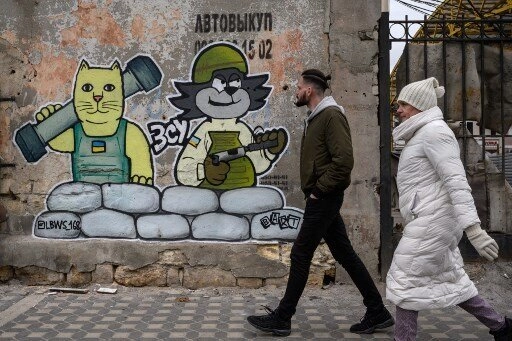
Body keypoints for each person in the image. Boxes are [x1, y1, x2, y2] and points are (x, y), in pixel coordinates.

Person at [246, 69, 394, 336]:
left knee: (301, 253)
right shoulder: (316, 117)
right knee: (344, 254)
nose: (296, 91)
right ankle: (377, 311)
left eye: (299, 87)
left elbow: (344, 162)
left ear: (309, 91)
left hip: (324, 197)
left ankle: (283, 317)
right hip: (322, 196)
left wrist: (318, 191)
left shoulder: (331, 116)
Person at [387, 77, 512, 341]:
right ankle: (501, 328)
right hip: (430, 217)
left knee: (405, 280)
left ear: (419, 106)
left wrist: (474, 229)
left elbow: (456, 181)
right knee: (453, 281)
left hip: (435, 220)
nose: (398, 110)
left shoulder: (435, 132)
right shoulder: (421, 133)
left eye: (403, 104)